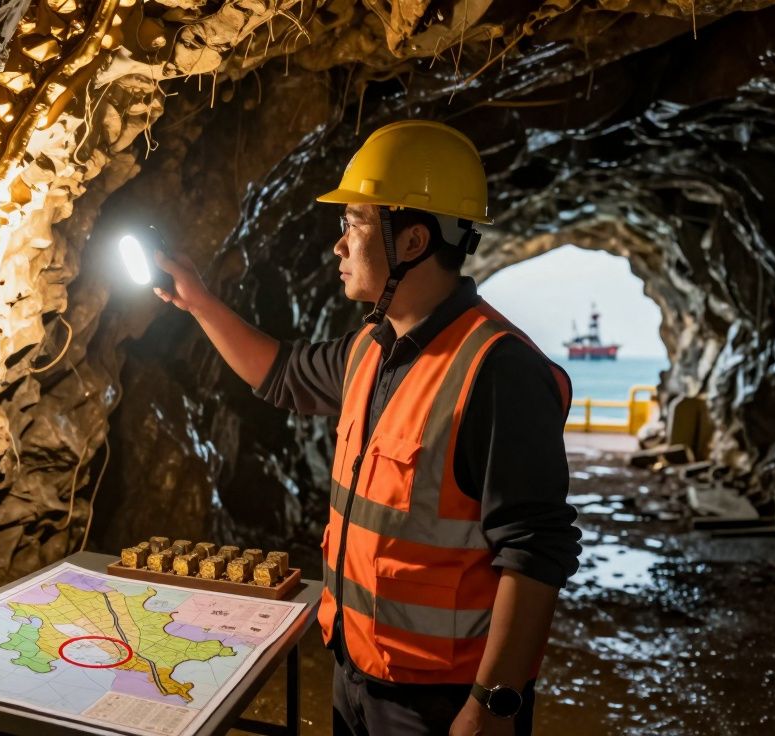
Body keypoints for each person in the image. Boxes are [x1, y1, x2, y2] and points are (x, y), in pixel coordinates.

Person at [152, 120, 581, 735]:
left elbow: (536, 553)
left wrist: (492, 706)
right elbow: (281, 374)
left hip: (440, 700)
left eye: (352, 224)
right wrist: (200, 303)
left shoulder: (498, 372)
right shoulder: (371, 350)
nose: (338, 245)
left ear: (410, 241)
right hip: (357, 672)